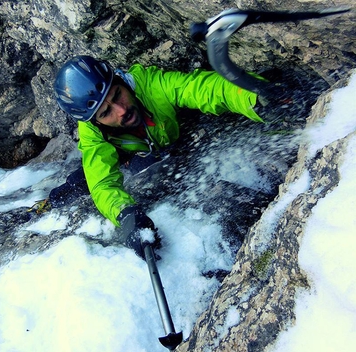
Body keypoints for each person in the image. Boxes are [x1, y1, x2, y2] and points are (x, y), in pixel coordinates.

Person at [39, 55, 268, 259]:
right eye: (106, 112)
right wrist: (126, 215)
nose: (121, 110)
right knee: (84, 181)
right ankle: (51, 202)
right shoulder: (93, 133)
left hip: (158, 147)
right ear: (96, 122)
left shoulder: (149, 85)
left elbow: (202, 88)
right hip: (128, 153)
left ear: (122, 82)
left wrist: (254, 97)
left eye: (117, 94)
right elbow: (102, 183)